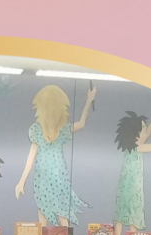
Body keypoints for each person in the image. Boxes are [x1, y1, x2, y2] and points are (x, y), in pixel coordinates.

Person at [14, 83, 96, 226]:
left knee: (62, 212)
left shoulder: (62, 129)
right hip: (42, 179)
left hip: (59, 178)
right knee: (43, 212)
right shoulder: (37, 130)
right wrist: (21, 181)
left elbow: (81, 123)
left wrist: (89, 100)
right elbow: (31, 157)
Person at [113, 97, 151, 229]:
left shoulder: (130, 148)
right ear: (135, 133)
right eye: (142, 129)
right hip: (133, 188)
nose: (146, 131)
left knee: (120, 218)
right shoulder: (138, 148)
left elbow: (148, 132)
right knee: (134, 217)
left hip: (124, 188)